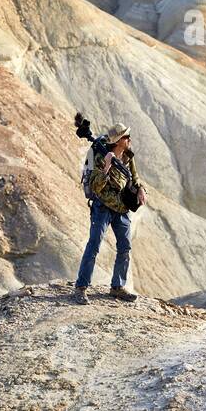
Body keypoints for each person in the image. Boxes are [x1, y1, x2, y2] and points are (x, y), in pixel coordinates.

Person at [73, 122, 147, 304]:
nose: (129, 139)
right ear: (118, 141)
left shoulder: (128, 156)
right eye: (126, 137)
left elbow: (134, 177)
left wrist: (140, 189)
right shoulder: (100, 156)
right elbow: (96, 185)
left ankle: (117, 287)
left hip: (121, 208)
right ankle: (81, 288)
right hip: (102, 207)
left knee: (125, 247)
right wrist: (106, 165)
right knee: (94, 245)